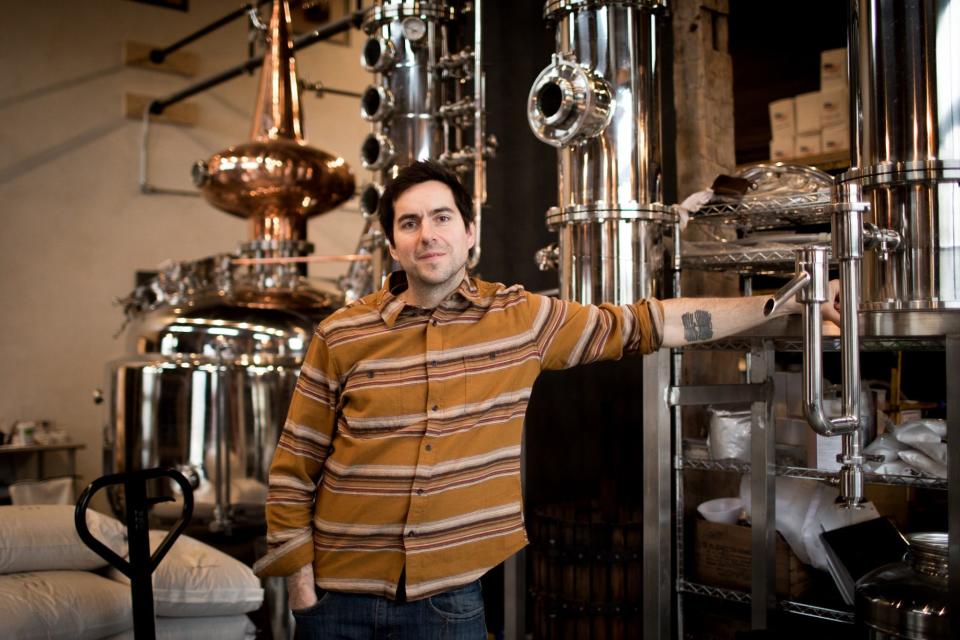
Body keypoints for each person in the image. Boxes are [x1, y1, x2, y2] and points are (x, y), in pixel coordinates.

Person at [254, 161, 840, 638]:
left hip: (447, 603)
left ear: (469, 233)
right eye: (409, 223)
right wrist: (303, 587)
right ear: (392, 243)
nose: (427, 234)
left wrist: (781, 304)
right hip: (336, 601)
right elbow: (295, 465)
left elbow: (647, 323)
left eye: (441, 217)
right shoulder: (342, 334)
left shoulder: (520, 319)